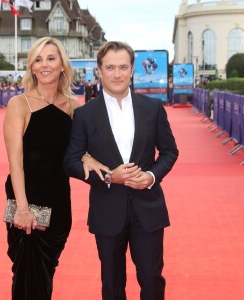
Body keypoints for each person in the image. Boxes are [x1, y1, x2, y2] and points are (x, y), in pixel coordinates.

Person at [64, 41, 179, 300]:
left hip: (148, 209)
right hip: (107, 210)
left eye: (123, 67)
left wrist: (151, 176)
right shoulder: (85, 114)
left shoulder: (152, 108)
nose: (117, 74)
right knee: (112, 284)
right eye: (110, 67)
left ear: (132, 70)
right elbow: (70, 161)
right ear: (100, 70)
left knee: (151, 278)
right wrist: (107, 177)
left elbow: (170, 151)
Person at [3, 36, 106, 300]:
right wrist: (23, 210)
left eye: (51, 58)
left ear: (62, 65)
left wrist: (86, 157)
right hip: (26, 198)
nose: (44, 65)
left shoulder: (73, 107)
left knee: (46, 272)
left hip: (59, 201)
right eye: (38, 59)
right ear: (31, 67)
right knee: (27, 274)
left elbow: (75, 151)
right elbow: (15, 161)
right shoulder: (19, 104)